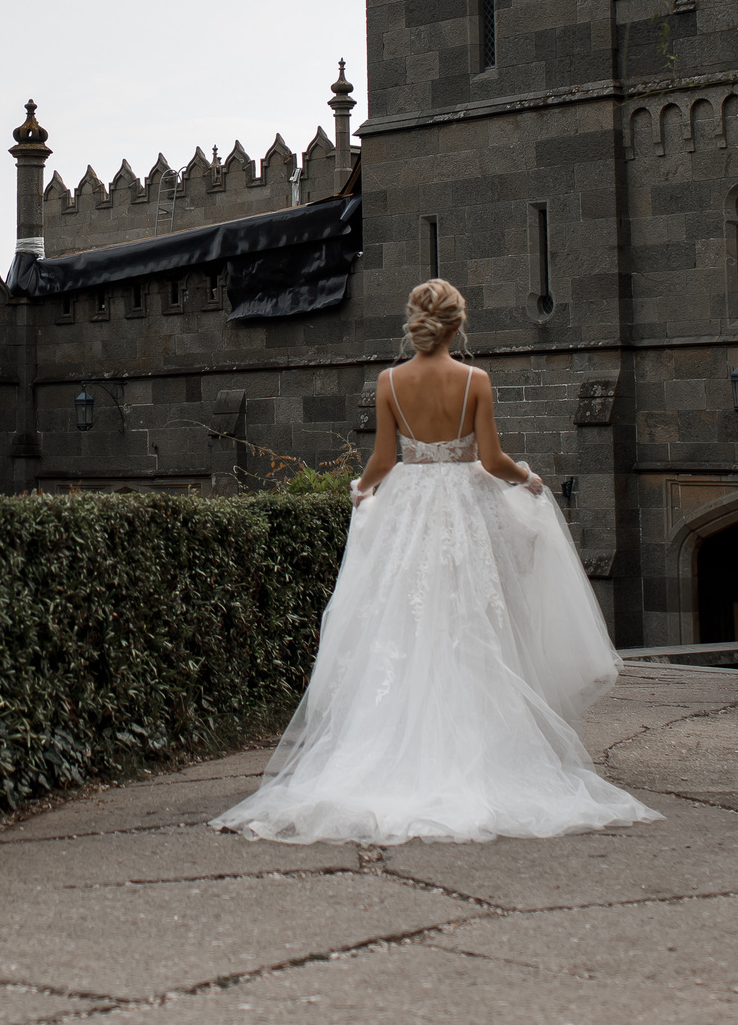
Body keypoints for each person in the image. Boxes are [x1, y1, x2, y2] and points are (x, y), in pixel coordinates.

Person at [212, 278, 658, 844]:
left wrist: (361, 492)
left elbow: (381, 459)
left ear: (415, 322)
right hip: (463, 511)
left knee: (404, 620)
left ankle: (392, 747)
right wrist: (529, 478)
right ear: (456, 325)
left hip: (410, 506)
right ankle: (480, 751)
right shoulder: (475, 380)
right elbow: (492, 460)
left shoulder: (389, 382)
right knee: (471, 620)